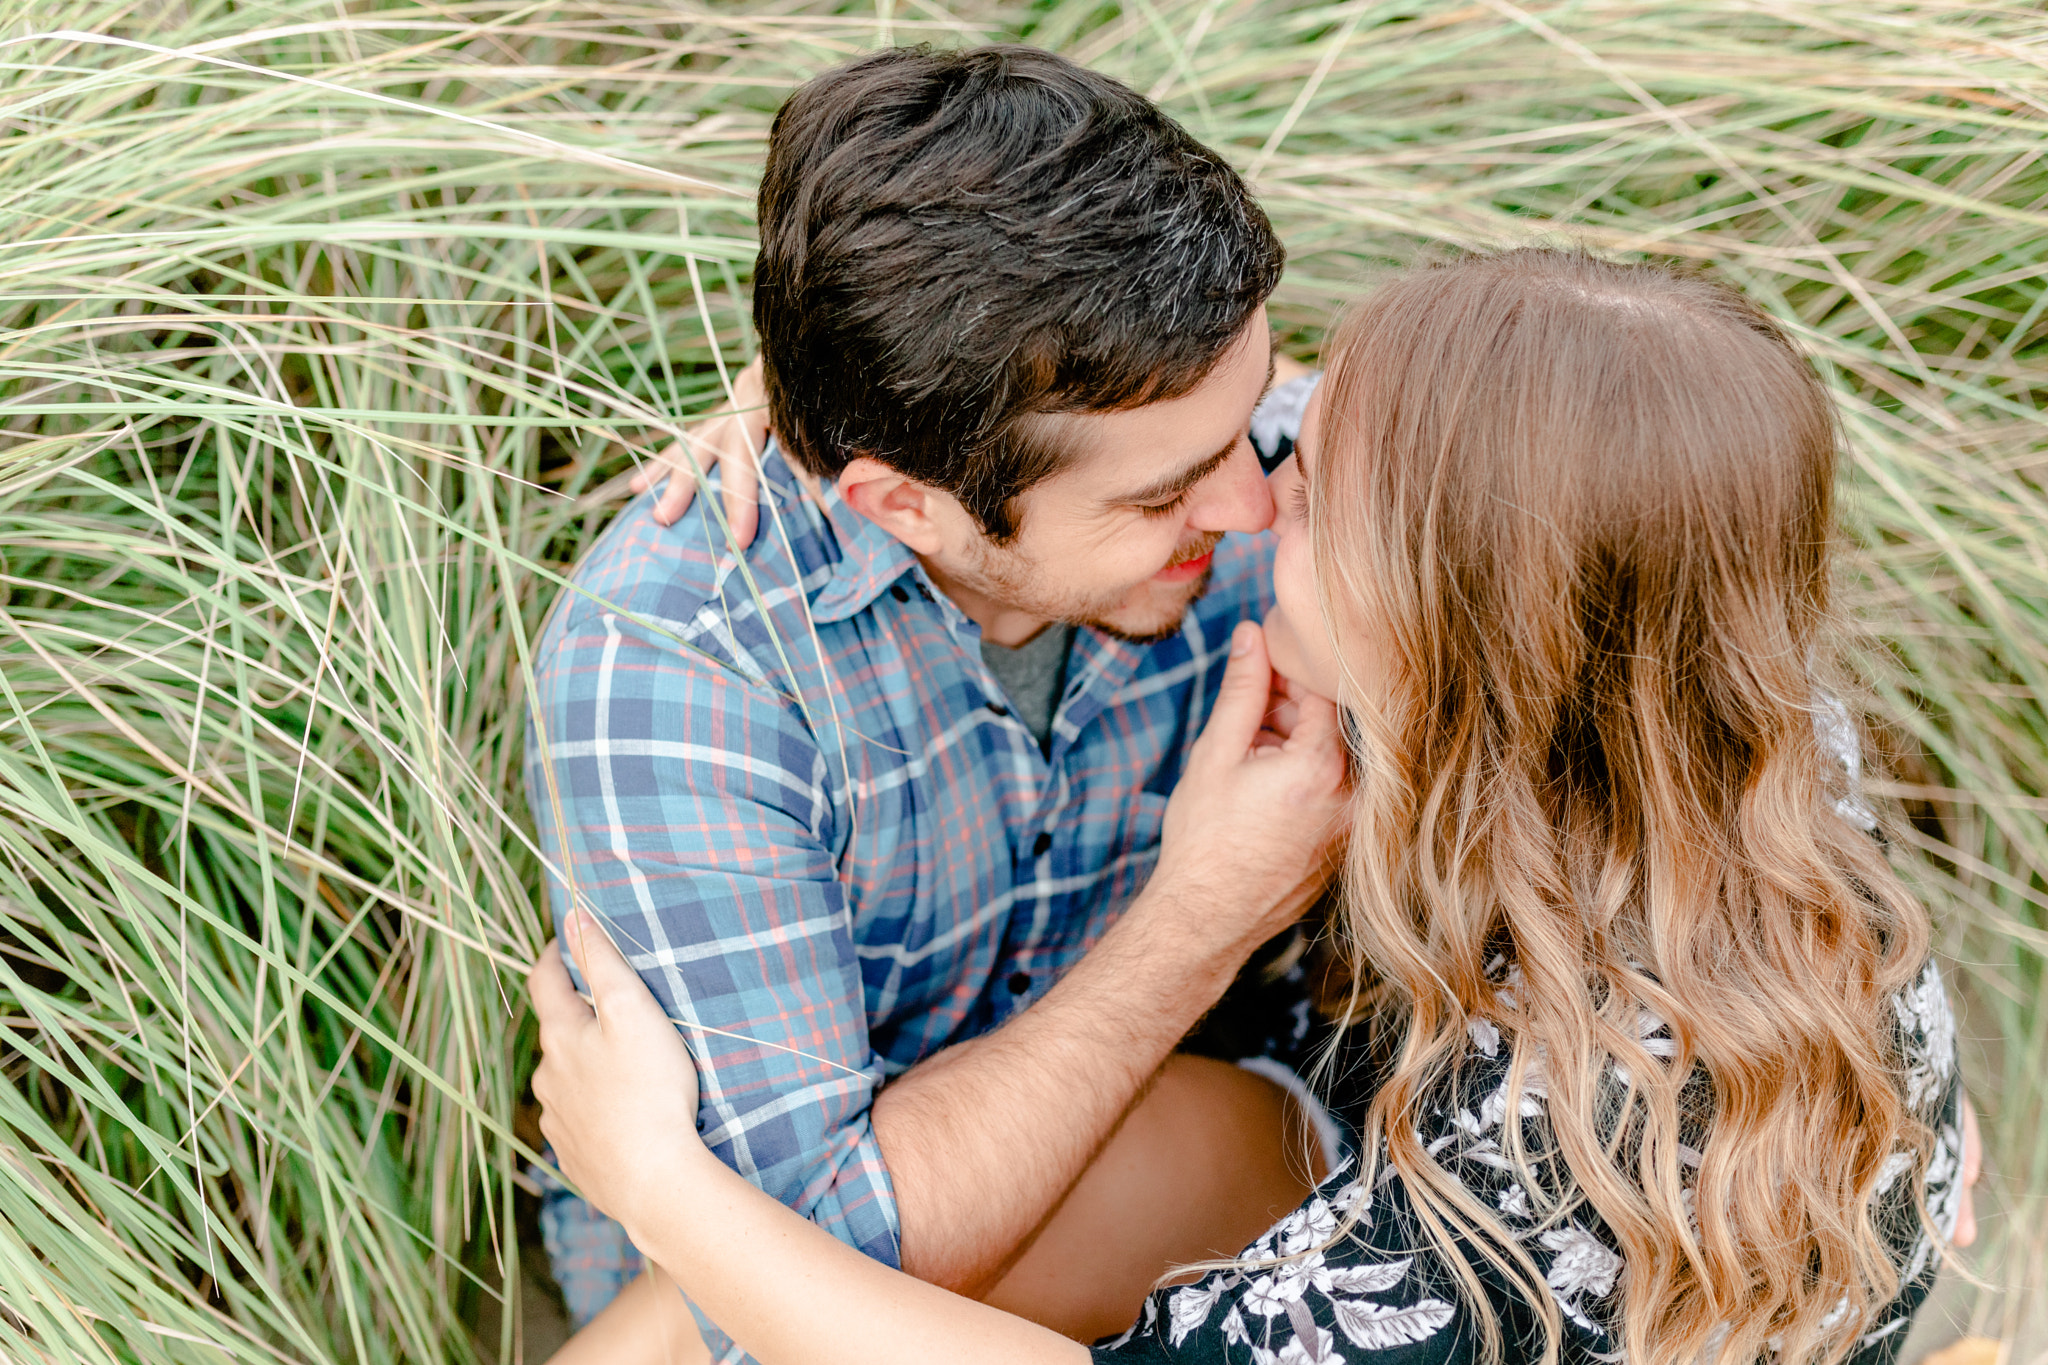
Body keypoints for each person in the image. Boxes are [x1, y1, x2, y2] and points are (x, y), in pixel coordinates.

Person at [530, 248, 1977, 1365]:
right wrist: (875, 405)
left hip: (1481, 1260)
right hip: (1360, 1138)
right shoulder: (1702, 711)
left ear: (1440, 621)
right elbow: (1550, 436)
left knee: (770, 1286)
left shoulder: (1541, 1179)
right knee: (831, 1264)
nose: (1252, 491)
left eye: (1304, 481)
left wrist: (656, 1179)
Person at [525, 43, 1350, 1362]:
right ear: (901, 502)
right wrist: (1206, 913)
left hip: (1183, 1159)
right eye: (1162, 495)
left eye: (1248, 423)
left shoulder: (1257, 488)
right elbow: (794, 1274)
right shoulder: (682, 670)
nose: (1257, 506)